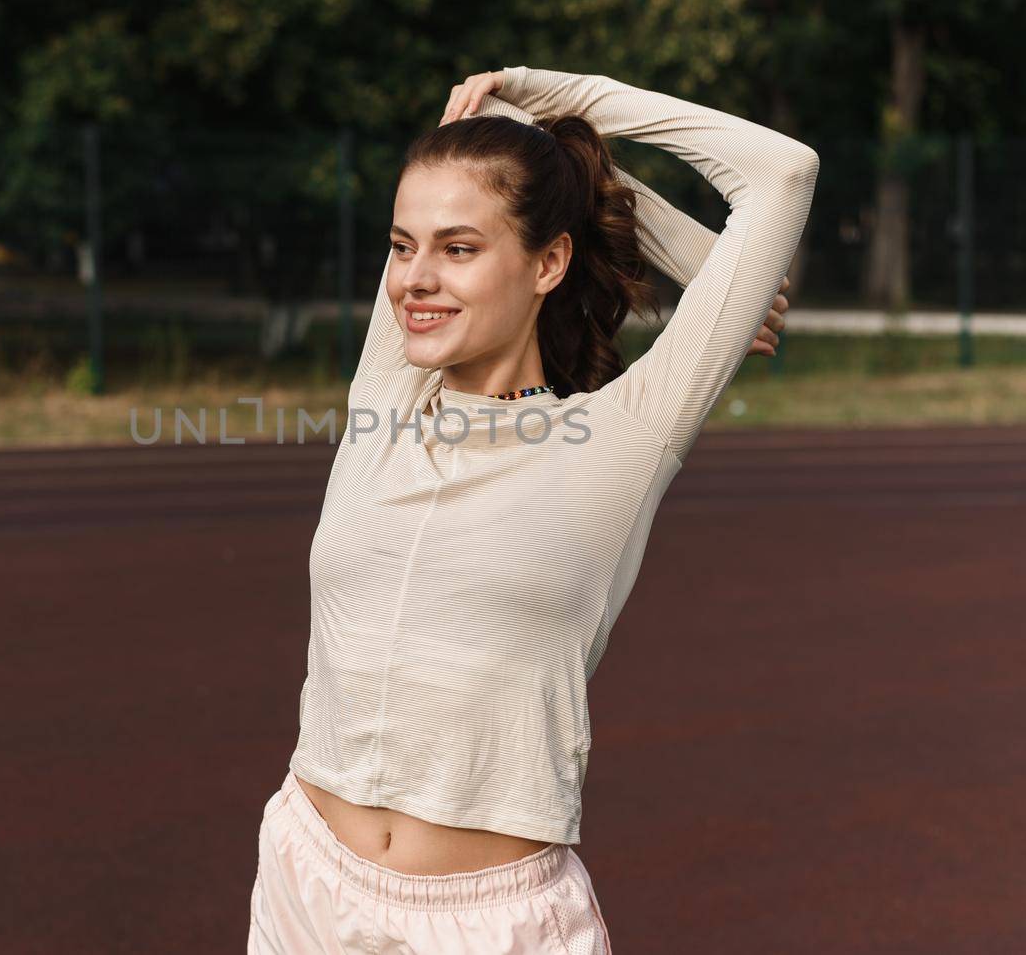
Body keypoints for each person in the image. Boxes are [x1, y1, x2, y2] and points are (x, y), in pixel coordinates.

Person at [247, 64, 819, 954]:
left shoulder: (622, 438)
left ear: (549, 261)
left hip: (488, 925)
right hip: (305, 876)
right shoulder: (387, 397)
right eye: (402, 246)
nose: (416, 281)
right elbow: (489, 128)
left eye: (459, 249)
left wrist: (574, 97)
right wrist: (700, 259)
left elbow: (781, 173)